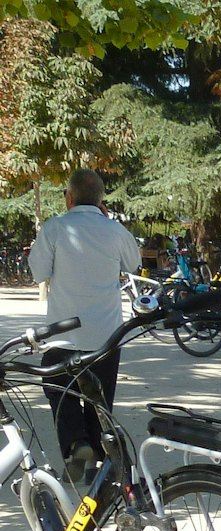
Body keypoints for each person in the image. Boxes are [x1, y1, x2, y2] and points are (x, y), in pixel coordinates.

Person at [27, 168, 141, 483]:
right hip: (106, 334)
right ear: (101, 200)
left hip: (63, 335)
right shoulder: (116, 231)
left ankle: (76, 444)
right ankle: (100, 468)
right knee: (100, 402)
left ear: (70, 196)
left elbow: (38, 272)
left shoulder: (55, 228)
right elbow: (134, 265)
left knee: (59, 393)